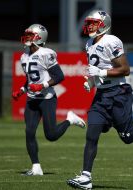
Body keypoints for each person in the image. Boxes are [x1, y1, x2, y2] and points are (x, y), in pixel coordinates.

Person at [66, 10, 133, 189]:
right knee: (91, 134)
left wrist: (100, 73)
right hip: (101, 96)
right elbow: (97, 70)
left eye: (94, 23)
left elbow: (125, 69)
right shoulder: (88, 44)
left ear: (104, 24)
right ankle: (86, 177)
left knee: (128, 137)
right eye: (89, 22)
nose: (90, 26)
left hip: (118, 93)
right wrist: (91, 82)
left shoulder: (112, 41)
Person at [12, 24, 86, 176]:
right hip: (32, 99)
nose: (27, 37)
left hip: (47, 98)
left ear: (39, 38)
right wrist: (21, 90)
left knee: (51, 135)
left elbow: (59, 76)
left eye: (30, 35)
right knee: (29, 132)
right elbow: (30, 80)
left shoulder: (46, 53)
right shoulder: (24, 55)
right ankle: (36, 167)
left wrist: (43, 86)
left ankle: (70, 120)